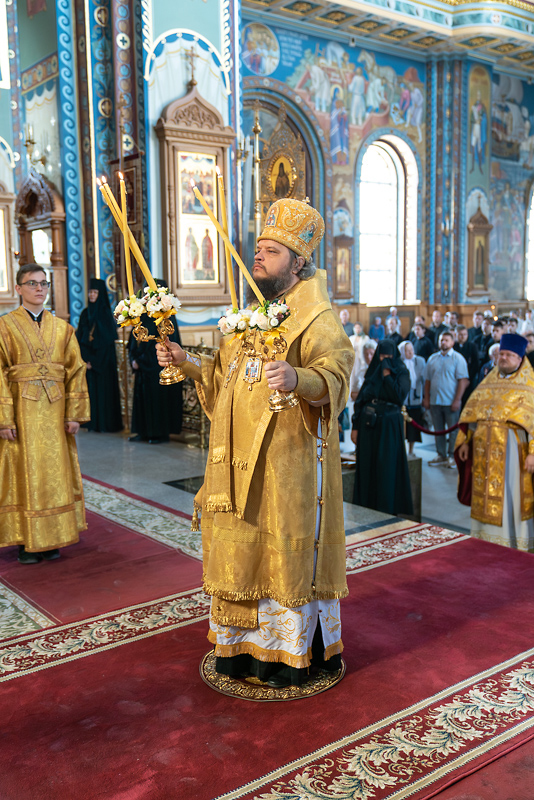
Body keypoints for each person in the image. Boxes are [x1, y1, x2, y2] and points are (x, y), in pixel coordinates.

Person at [157, 198, 354, 688]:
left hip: (289, 465)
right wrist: (185, 362)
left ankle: (287, 654)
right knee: (242, 552)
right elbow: (225, 380)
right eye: (259, 248)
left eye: (272, 251)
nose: (259, 257)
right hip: (236, 461)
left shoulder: (318, 320)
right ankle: (240, 651)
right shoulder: (249, 318)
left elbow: (338, 377)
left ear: (298, 262)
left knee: (281, 555)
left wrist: (297, 377)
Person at [0, 263, 90, 564]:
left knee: (55, 473)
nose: (39, 289)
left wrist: (74, 413)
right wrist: (4, 419)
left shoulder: (63, 328)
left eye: (44, 283)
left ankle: (55, 539)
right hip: (21, 413)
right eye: (32, 283)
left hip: (55, 413)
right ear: (19, 288)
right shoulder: (4, 326)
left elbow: (76, 370)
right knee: (25, 473)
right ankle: (27, 541)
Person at [456, 333, 534, 552]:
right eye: (501, 354)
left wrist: (532, 453)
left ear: (520, 358)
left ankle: (513, 544)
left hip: (513, 453)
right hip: (483, 450)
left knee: (511, 497)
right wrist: (465, 442)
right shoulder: (489, 380)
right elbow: (472, 414)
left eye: (509, 355)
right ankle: (484, 541)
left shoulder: (530, 385)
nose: (503, 358)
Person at [351, 340, 413, 516]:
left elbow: (398, 396)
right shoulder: (372, 373)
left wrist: (387, 375)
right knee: (367, 464)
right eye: (382, 356)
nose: (385, 359)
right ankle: (366, 506)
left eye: (389, 356)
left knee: (386, 466)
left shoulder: (401, 372)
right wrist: (355, 426)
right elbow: (361, 400)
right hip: (369, 424)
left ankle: (386, 507)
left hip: (389, 425)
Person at [128, 281, 183, 444]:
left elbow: (164, 344)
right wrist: (133, 359)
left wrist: (142, 361)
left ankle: (159, 433)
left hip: (155, 366)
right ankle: (143, 431)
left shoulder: (165, 316)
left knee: (158, 400)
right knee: (142, 400)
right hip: (142, 368)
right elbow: (135, 339)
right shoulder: (144, 315)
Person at [76, 278, 123, 433]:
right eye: (90, 292)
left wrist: (95, 362)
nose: (91, 295)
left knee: (104, 393)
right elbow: (80, 338)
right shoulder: (85, 313)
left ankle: (105, 424)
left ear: (100, 294)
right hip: (88, 360)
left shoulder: (105, 315)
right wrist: (85, 359)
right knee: (91, 393)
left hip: (103, 363)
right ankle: (92, 423)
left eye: (95, 292)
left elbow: (106, 342)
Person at [423, 331, 469, 468]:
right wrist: (426, 398)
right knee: (438, 430)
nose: (443, 342)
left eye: (446, 340)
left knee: (453, 431)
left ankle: (452, 456)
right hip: (435, 401)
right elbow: (427, 381)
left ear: (452, 342)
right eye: (441, 340)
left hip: (451, 401)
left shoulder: (458, 358)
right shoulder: (432, 359)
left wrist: (457, 400)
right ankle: (441, 455)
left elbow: (463, 381)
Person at [398, 340, 425, 457]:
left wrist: (424, 396)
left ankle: (411, 449)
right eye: (407, 350)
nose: (410, 352)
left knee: (414, 426)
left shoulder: (420, 361)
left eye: (411, 350)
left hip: (415, 398)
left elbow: (424, 379)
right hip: (402, 400)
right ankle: (401, 449)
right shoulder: (399, 363)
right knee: (402, 426)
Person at [454, 325, 480, 403]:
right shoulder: (453, 346)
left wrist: (468, 379)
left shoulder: (472, 346)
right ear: (456, 335)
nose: (463, 337)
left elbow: (475, 364)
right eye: (460, 335)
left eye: (465, 334)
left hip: (468, 378)